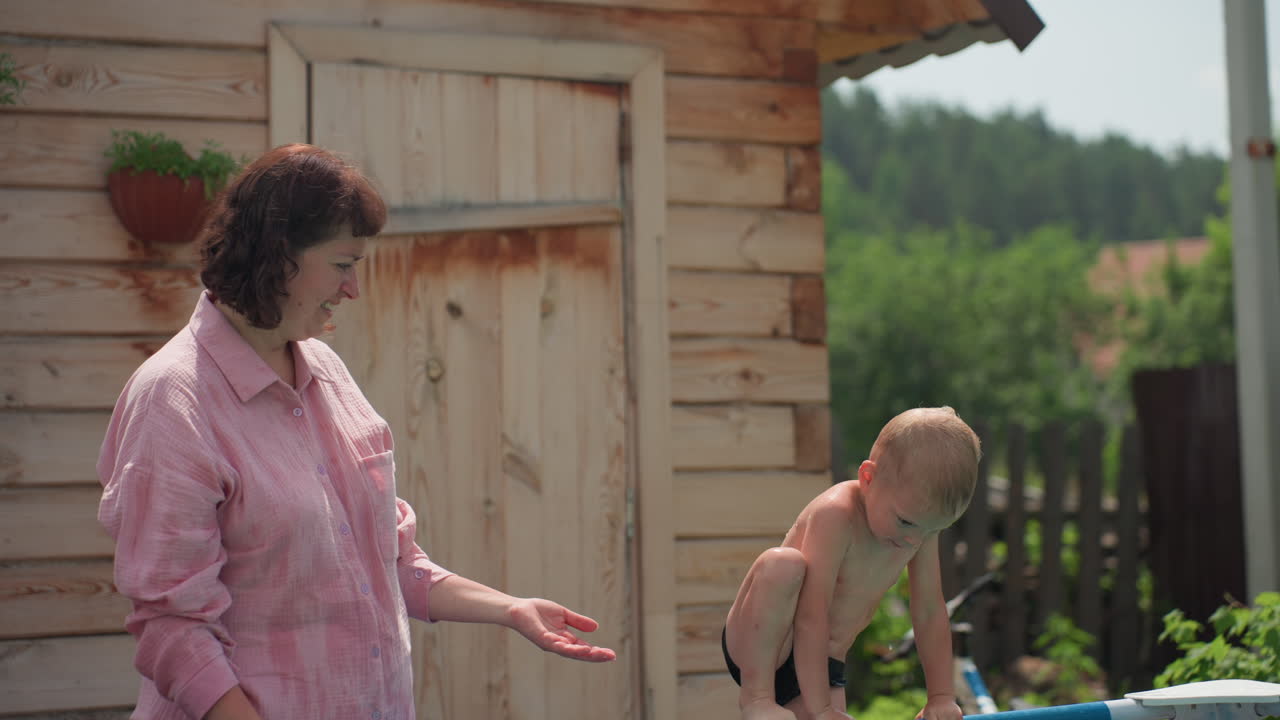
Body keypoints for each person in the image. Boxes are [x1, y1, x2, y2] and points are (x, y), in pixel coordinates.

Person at [97, 144, 615, 720]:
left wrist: (510, 609)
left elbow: (385, 560)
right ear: (276, 255)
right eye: (344, 264)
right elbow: (173, 628)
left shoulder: (327, 371)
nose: (354, 289)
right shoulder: (172, 401)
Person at [722, 406, 982, 720]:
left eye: (933, 529)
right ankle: (757, 697)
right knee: (783, 564)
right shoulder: (836, 514)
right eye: (905, 522)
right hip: (765, 640)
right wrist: (821, 709)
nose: (914, 540)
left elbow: (929, 610)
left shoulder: (918, 527)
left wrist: (941, 697)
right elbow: (810, 614)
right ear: (868, 478)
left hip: (824, 660)